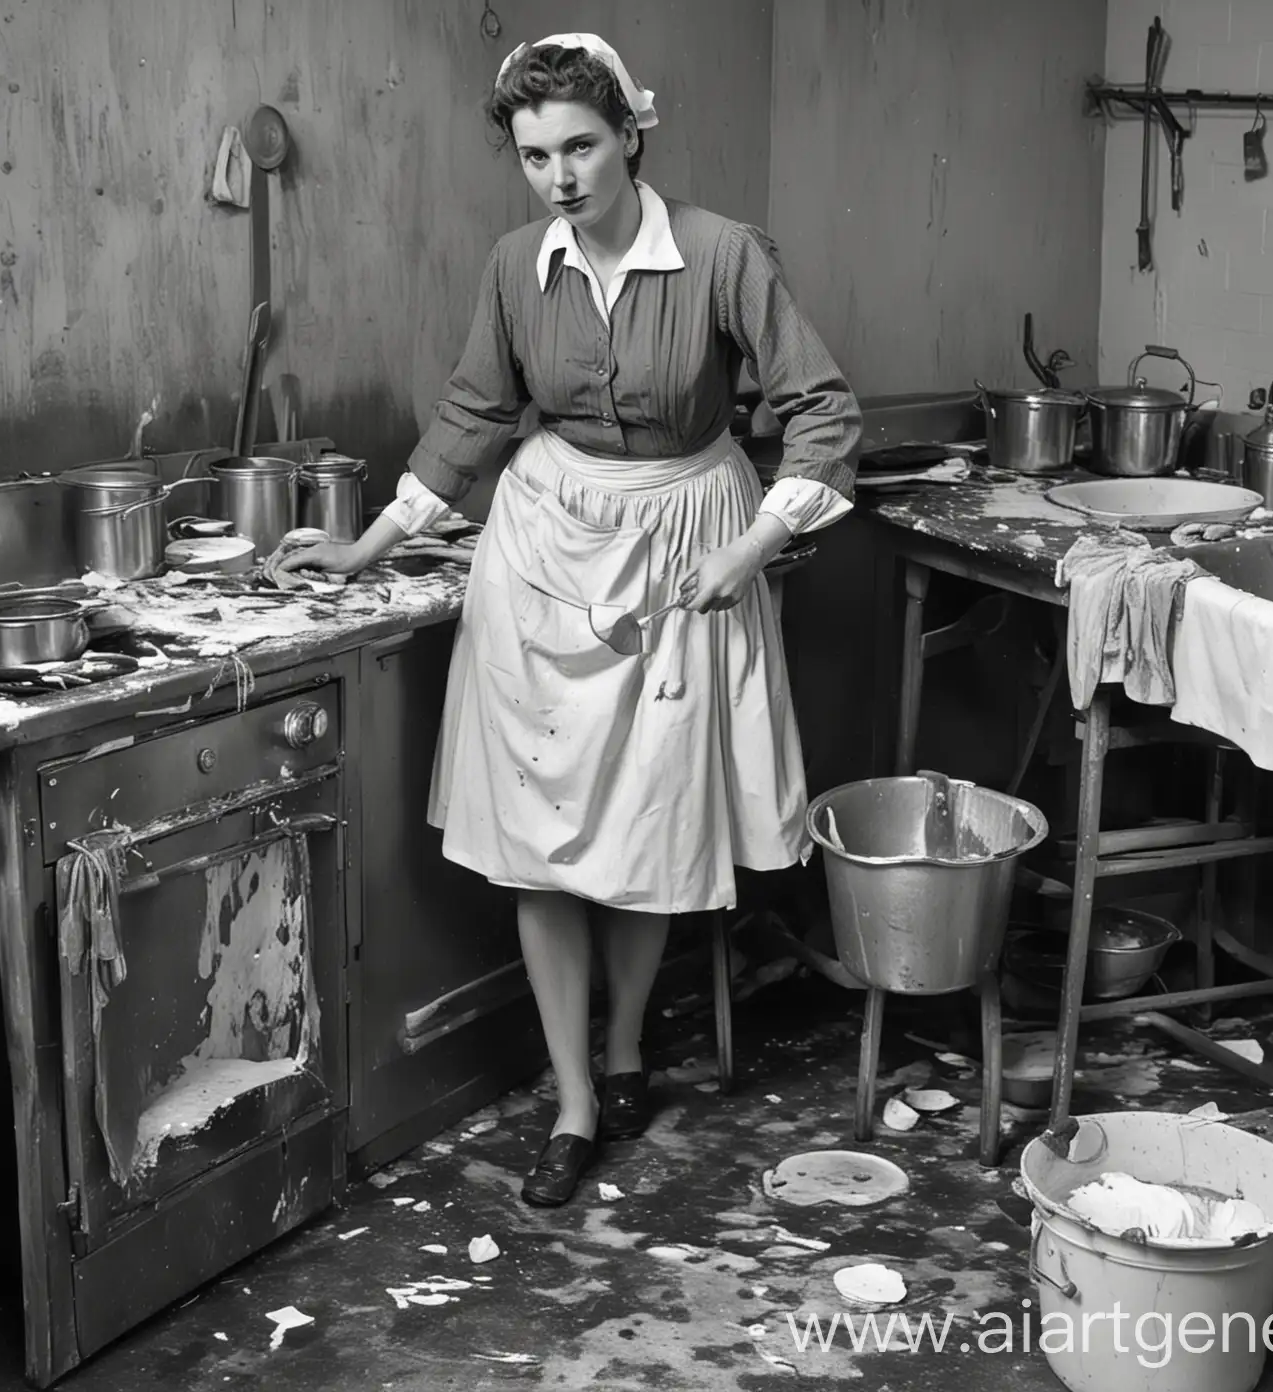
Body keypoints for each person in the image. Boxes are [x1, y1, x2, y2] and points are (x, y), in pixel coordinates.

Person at [274, 32, 860, 1206]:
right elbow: (472, 417)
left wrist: (748, 553)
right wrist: (366, 548)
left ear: (631, 133)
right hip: (541, 546)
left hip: (689, 547)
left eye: (581, 146)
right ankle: (575, 1099)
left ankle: (632, 1044)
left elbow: (826, 414)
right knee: (540, 843)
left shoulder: (720, 255)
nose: (560, 176)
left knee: (646, 831)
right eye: (536, 154)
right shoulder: (513, 266)